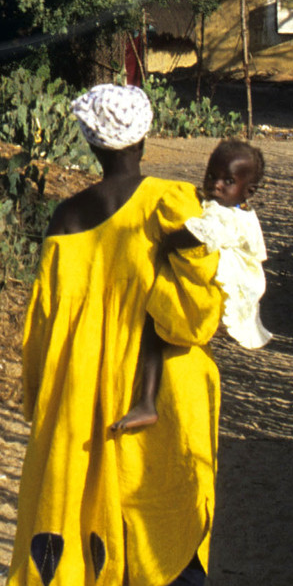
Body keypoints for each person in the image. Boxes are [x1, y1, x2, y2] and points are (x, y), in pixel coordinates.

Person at [0, 81, 226, 586]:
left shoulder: (65, 219)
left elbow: (43, 325)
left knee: (97, 512)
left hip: (85, 399)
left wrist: (44, 399)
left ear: (91, 142)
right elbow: (193, 319)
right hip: (160, 403)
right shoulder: (171, 203)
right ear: (144, 137)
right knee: (153, 530)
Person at [114, 140, 270, 436]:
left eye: (228, 181)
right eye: (212, 175)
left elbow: (202, 236)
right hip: (231, 280)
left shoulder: (226, 217)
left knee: (154, 322)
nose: (216, 186)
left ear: (248, 192)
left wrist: (167, 244)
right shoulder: (241, 212)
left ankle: (147, 400)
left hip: (224, 281)